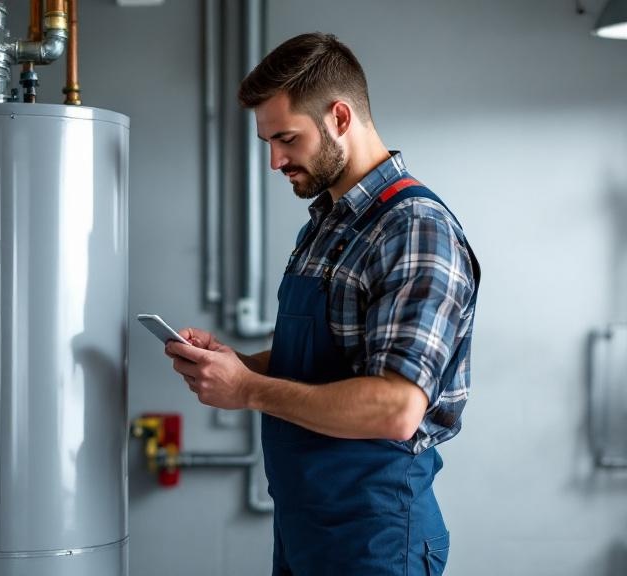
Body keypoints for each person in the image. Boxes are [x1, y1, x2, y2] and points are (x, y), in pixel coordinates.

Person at [164, 33, 480, 575]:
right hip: (307, 528)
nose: (274, 160)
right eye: (267, 142)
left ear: (338, 116)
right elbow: (326, 362)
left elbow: (396, 409)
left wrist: (247, 390)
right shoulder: (329, 224)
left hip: (375, 539)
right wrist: (238, 363)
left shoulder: (413, 229)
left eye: (285, 138)